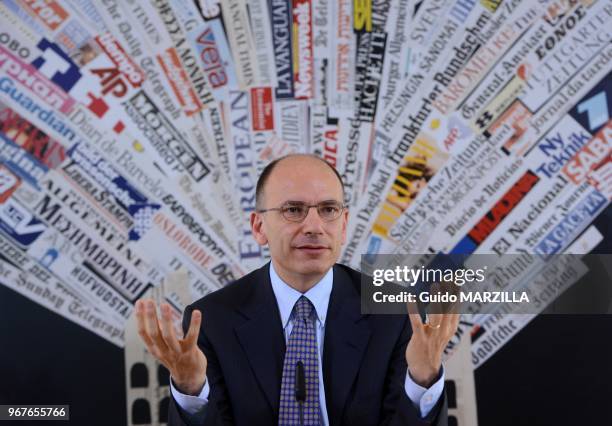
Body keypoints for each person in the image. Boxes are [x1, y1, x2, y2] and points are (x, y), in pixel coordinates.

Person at [136, 154, 459, 425]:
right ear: (259, 227)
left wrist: (423, 379)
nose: (314, 227)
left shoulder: (394, 311)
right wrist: (191, 388)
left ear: (344, 225)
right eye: (293, 210)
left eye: (329, 210)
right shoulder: (214, 321)